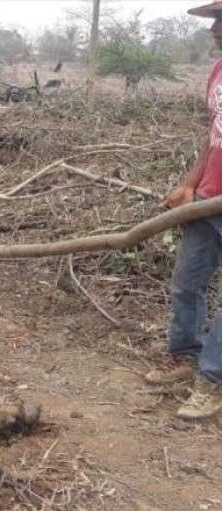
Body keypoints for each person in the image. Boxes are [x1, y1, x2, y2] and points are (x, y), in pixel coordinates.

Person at [144, 0, 222, 419]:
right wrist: (190, 184)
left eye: (221, 21)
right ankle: (186, 354)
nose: (214, 29)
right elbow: (213, 136)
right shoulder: (217, 71)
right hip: (208, 199)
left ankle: (213, 380)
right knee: (186, 283)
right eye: (214, 20)